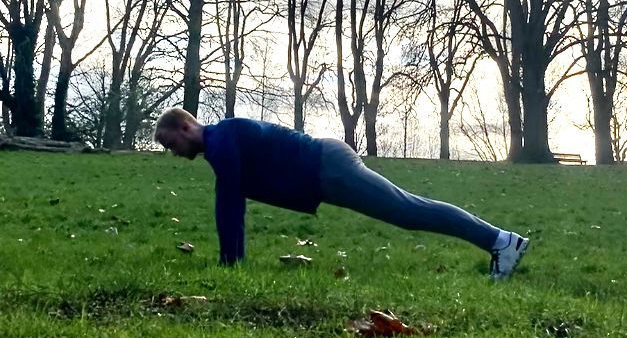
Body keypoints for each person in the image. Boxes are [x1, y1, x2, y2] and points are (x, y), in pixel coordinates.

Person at [153, 107, 529, 279]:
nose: (175, 154)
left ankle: (500, 241)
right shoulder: (221, 143)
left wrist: (230, 264)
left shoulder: (221, 141)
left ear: (186, 126)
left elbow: (230, 203)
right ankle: (499, 241)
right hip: (325, 169)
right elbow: (230, 199)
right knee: (407, 210)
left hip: (328, 166)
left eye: (172, 145)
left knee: (408, 210)